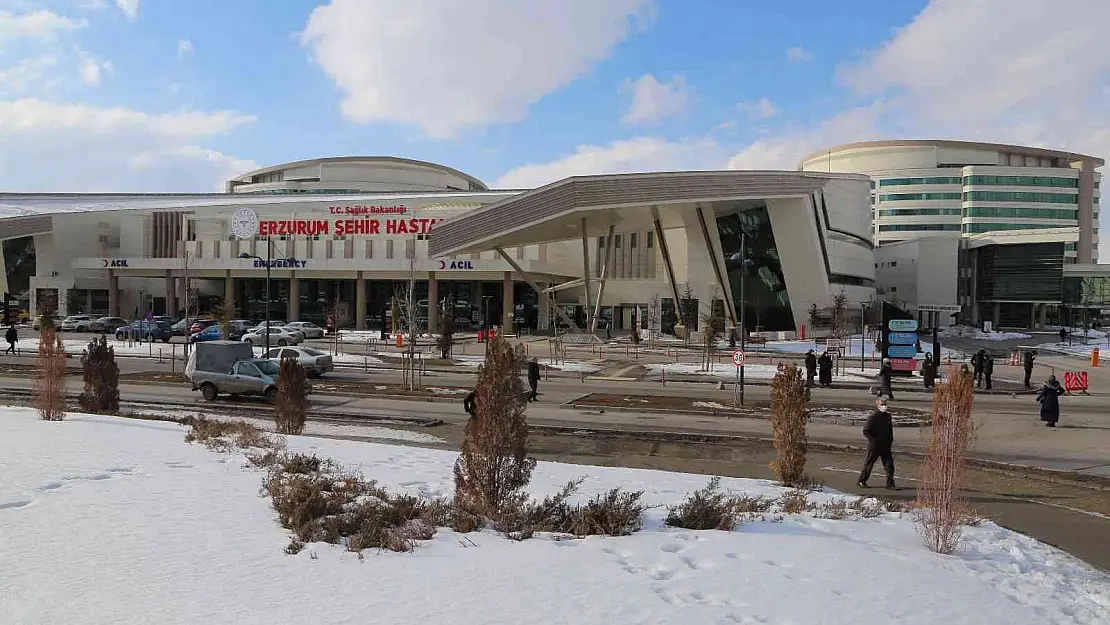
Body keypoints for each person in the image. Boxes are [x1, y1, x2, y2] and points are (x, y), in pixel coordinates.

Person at [858, 398, 896, 490]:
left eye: (885, 404)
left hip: (886, 445)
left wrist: (890, 440)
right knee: (869, 464)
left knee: (889, 465)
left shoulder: (887, 416)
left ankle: (890, 483)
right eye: (882, 404)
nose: (884, 406)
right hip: (875, 446)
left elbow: (889, 430)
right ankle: (862, 480)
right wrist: (874, 440)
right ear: (877, 406)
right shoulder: (873, 417)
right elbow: (866, 431)